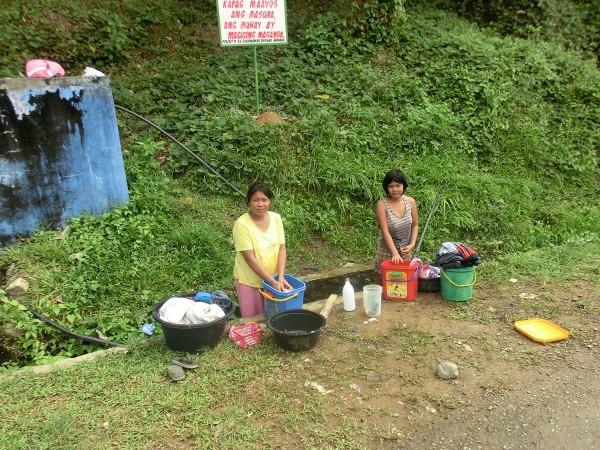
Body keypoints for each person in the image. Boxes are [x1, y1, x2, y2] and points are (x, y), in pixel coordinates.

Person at [233, 182, 292, 317]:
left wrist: (280, 278)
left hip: (274, 278)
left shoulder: (276, 218)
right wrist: (271, 282)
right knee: (255, 319)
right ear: (248, 202)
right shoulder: (241, 224)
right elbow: (249, 258)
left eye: (264, 200)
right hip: (250, 281)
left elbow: (282, 249)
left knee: (274, 315)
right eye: (256, 200)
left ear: (270, 201)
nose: (260, 204)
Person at [374, 169, 419, 275]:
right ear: (387, 188)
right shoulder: (381, 205)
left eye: (398, 185)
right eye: (391, 186)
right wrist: (394, 253)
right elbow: (385, 231)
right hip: (386, 251)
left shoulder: (410, 202)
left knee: (403, 286)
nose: (395, 189)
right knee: (385, 285)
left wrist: (412, 244)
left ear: (403, 186)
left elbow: (415, 225)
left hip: (405, 251)